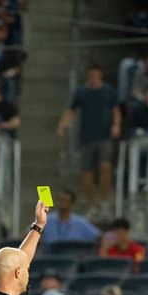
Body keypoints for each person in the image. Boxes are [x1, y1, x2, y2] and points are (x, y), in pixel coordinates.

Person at [56, 64, 121, 219]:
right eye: (91, 76)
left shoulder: (108, 91)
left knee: (105, 168)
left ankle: (105, 203)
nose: (93, 79)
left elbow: (115, 110)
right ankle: (91, 205)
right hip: (86, 137)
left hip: (104, 135)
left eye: (96, 75)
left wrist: (116, 125)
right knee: (87, 174)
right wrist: (62, 124)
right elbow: (71, 109)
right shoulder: (81, 92)